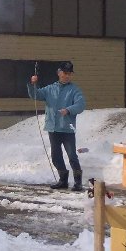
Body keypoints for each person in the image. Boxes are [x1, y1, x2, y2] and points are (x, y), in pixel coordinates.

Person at [29, 60, 86, 191]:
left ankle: (78, 182)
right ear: (59, 73)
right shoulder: (50, 89)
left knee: (72, 155)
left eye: (70, 74)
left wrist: (69, 109)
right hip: (53, 128)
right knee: (56, 156)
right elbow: (36, 95)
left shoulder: (74, 90)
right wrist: (33, 84)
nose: (67, 76)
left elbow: (81, 104)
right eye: (65, 73)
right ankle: (63, 180)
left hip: (67, 128)